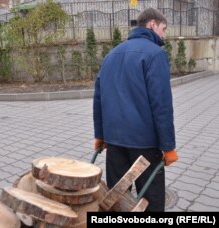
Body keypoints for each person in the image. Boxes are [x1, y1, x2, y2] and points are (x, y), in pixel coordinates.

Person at [93, 7, 178, 212]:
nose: (164, 35)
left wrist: (101, 135)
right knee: (151, 200)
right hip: (145, 144)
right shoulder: (155, 54)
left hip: (114, 142)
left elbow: (98, 98)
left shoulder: (111, 55)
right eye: (163, 28)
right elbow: (161, 105)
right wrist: (168, 146)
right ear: (152, 24)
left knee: (117, 198)